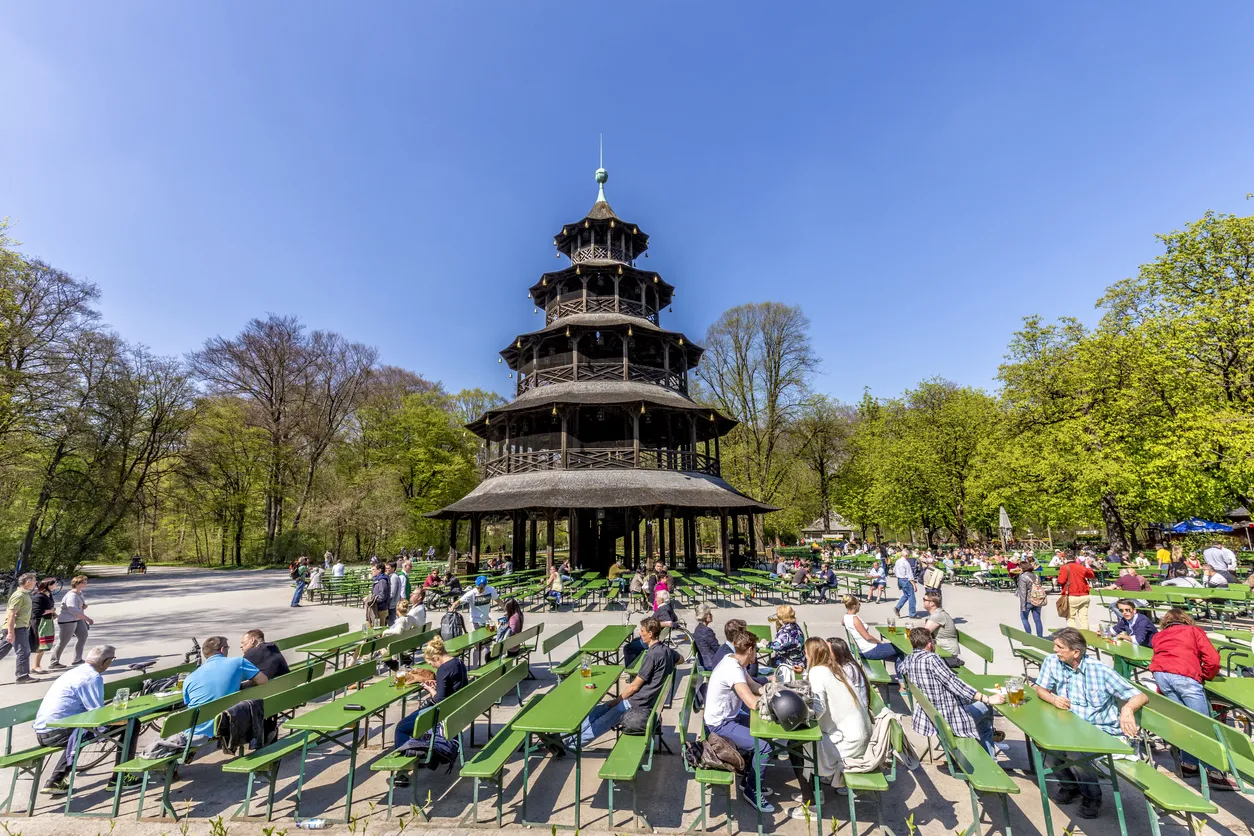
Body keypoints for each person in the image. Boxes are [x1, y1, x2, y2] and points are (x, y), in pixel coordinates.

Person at [1033, 628, 1148, 819]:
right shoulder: (1052, 662)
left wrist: (1127, 710)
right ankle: (1070, 786)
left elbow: (1139, 695)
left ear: (1075, 652)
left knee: (1076, 752)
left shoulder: (1100, 671)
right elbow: (1040, 689)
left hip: (1100, 729)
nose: (1054, 650)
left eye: (1060, 647)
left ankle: (1092, 797)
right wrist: (1054, 699)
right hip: (1070, 724)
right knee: (1045, 745)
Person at [33, 645, 138, 796]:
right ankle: (121, 778)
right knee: (132, 724)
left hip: (44, 731)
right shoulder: (92, 677)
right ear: (107, 662)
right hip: (58, 732)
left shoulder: (75, 672)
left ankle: (56, 779)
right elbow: (98, 714)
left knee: (80, 731)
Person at [786, 637, 871, 816]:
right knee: (805, 744)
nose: (805, 656)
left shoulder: (818, 671)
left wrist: (797, 715)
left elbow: (819, 708)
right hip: (857, 735)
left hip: (848, 742)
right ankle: (815, 792)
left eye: (806, 653)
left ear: (811, 654)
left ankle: (811, 803)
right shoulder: (833, 668)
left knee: (794, 745)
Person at [1148, 609, 1229, 788]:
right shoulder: (1193, 631)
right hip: (1184, 674)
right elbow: (1213, 659)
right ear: (1186, 619)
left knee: (1184, 720)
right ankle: (1214, 771)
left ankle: (1189, 764)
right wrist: (1206, 674)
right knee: (1202, 724)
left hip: (1162, 674)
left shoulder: (1159, 636)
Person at [899, 627, 1004, 757]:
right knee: (986, 708)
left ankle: (982, 744)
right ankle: (989, 757)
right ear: (930, 644)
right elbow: (954, 683)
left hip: (930, 717)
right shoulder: (932, 659)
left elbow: (901, 669)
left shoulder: (909, 660)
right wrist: (987, 698)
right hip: (949, 719)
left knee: (973, 704)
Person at [576, 617, 675, 746]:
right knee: (598, 710)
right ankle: (563, 736)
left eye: (642, 630)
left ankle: (569, 744)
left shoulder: (652, 655)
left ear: (650, 634)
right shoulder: (666, 650)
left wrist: (618, 700)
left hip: (637, 704)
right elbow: (681, 659)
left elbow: (634, 687)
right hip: (645, 701)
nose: (640, 633)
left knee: (599, 723)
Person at [704, 631, 774, 813]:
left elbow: (754, 687)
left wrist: (772, 691)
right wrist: (776, 703)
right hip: (719, 725)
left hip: (729, 718)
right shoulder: (733, 669)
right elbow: (751, 702)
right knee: (764, 747)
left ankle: (748, 780)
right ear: (750, 650)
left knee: (766, 732)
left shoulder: (733, 659)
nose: (756, 653)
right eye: (756, 650)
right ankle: (753, 790)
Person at [391, 635, 467, 788]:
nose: (433, 666)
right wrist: (438, 685)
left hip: (442, 712)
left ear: (436, 657)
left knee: (401, 727)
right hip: (457, 710)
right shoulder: (458, 663)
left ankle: (403, 770)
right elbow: (453, 686)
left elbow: (439, 700)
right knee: (416, 720)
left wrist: (431, 689)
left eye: (432, 663)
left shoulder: (443, 669)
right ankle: (415, 753)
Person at [183, 636, 268, 739]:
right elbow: (263, 680)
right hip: (227, 724)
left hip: (194, 732)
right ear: (223, 649)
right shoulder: (239, 662)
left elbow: (187, 702)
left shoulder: (189, 678)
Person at [842, 596, 905, 683]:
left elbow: (843, 623)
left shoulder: (846, 617)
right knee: (900, 648)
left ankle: (902, 682)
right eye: (859, 604)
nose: (860, 605)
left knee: (899, 656)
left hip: (862, 650)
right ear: (854, 606)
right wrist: (880, 642)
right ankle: (902, 683)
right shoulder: (855, 619)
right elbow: (867, 637)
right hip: (870, 650)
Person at [0, 574, 38, 683]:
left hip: (18, 628)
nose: (36, 582)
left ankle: (22, 675)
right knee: (24, 651)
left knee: (2, 651)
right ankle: (22, 676)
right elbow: (12, 615)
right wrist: (11, 633)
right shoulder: (19, 596)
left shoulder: (24, 594)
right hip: (16, 628)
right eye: (34, 580)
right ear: (28, 582)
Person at [50, 576, 93, 670]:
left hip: (78, 619)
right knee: (63, 641)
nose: (83, 584)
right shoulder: (71, 596)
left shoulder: (80, 593)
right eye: (81, 583)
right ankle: (54, 661)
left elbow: (78, 609)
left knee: (83, 636)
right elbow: (73, 610)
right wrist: (87, 619)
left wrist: (83, 607)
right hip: (67, 620)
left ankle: (77, 659)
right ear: (75, 584)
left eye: (85, 582)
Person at [825, 636, 868, 708]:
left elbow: (834, 691)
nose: (824, 652)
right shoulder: (840, 665)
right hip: (851, 705)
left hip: (857, 709)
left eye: (827, 650)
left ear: (837, 653)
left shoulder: (848, 669)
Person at [1057, 551, 1095, 631]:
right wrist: (1087, 565)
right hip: (1084, 594)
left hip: (1071, 594)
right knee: (1084, 618)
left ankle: (1074, 638)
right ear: (1075, 558)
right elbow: (1091, 575)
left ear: (1065, 558)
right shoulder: (1081, 567)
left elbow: (1061, 581)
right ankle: (1086, 637)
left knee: (1071, 618)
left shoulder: (1064, 567)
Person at [29, 578, 58, 675]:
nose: (56, 585)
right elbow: (36, 612)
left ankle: (37, 665)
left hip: (47, 621)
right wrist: (51, 611)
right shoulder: (38, 596)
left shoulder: (49, 595)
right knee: (40, 644)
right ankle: (36, 666)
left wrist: (52, 613)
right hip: (39, 622)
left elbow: (49, 608)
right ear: (48, 585)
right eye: (54, 583)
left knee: (45, 644)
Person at [920, 592, 960, 658]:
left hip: (948, 654)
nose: (923, 601)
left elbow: (923, 634)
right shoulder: (938, 613)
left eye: (924, 600)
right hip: (943, 650)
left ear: (932, 603)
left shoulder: (937, 615)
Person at [766, 604, 805, 669]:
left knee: (769, 664)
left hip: (789, 663)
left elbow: (777, 646)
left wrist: (767, 643)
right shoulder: (795, 626)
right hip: (800, 660)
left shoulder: (786, 631)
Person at [1016, 558, 1046, 637]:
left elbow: (1023, 592)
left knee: (1024, 618)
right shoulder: (1036, 576)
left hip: (1028, 600)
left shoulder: (1023, 577)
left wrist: (1023, 605)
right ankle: (1040, 637)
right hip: (1037, 599)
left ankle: (1028, 637)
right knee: (1037, 619)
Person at [692, 604, 719, 670]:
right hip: (711, 663)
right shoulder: (707, 631)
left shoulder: (697, 629)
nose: (711, 615)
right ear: (705, 616)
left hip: (704, 661)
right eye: (709, 614)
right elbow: (717, 649)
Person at [892, 551, 918, 618]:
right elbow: (910, 575)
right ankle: (912, 613)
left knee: (906, 595)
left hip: (900, 579)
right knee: (911, 597)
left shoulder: (897, 561)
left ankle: (897, 607)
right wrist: (914, 584)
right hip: (905, 580)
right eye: (908, 555)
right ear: (906, 555)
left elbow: (894, 570)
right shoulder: (906, 563)